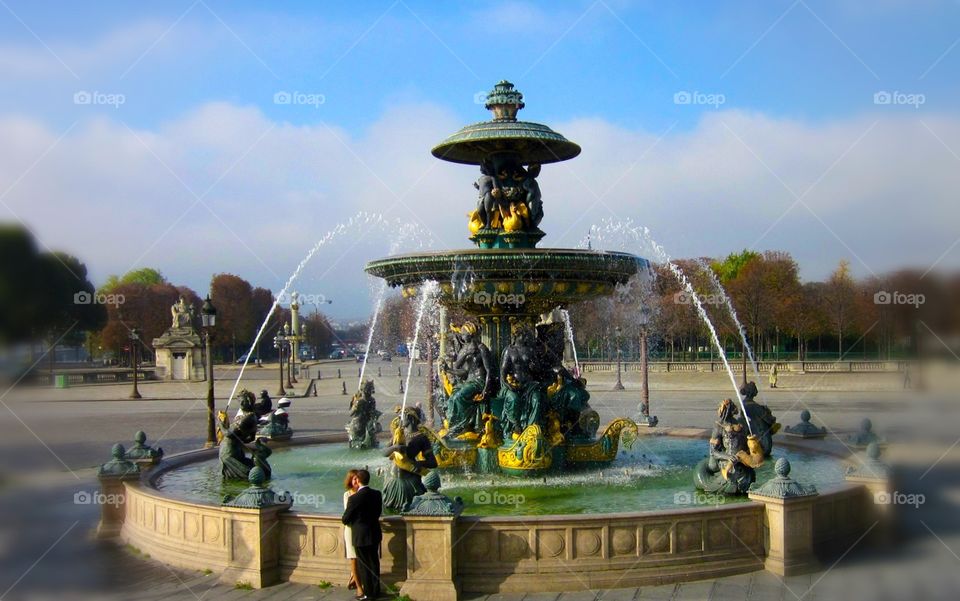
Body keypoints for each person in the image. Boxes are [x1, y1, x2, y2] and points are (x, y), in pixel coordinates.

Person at [341, 469, 382, 600]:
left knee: (364, 566)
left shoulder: (354, 498)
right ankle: (376, 591)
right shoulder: (377, 494)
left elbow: (345, 519)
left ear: (358, 480)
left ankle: (368, 594)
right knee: (374, 563)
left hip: (360, 536)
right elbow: (377, 513)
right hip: (374, 533)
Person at [342, 469, 363, 596]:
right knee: (354, 558)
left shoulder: (364, 493)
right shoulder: (347, 494)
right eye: (354, 479)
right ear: (350, 480)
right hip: (351, 529)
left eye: (358, 478)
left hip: (361, 529)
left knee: (362, 558)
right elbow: (348, 513)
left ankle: (354, 577)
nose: (356, 481)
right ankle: (359, 586)